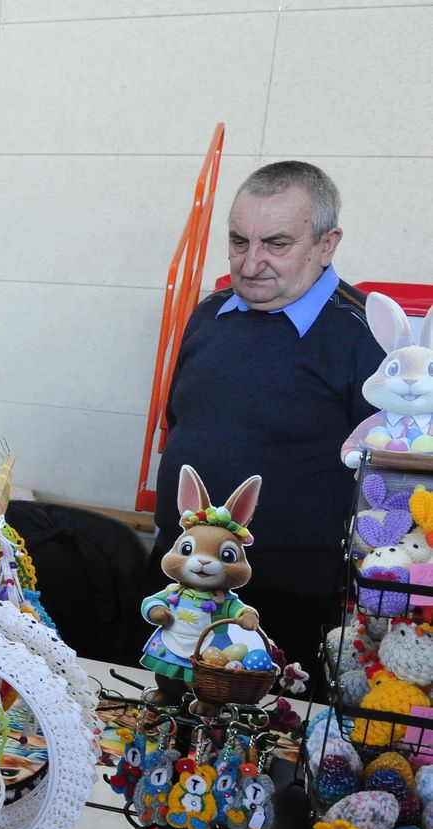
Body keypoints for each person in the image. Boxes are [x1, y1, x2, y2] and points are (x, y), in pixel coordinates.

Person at [153, 161, 383, 683]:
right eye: (239, 241)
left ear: (326, 245)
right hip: (179, 580)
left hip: (289, 593)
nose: (251, 262)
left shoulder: (363, 334)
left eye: (276, 244)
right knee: (159, 711)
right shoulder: (209, 314)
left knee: (270, 723)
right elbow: (180, 420)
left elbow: (384, 479)